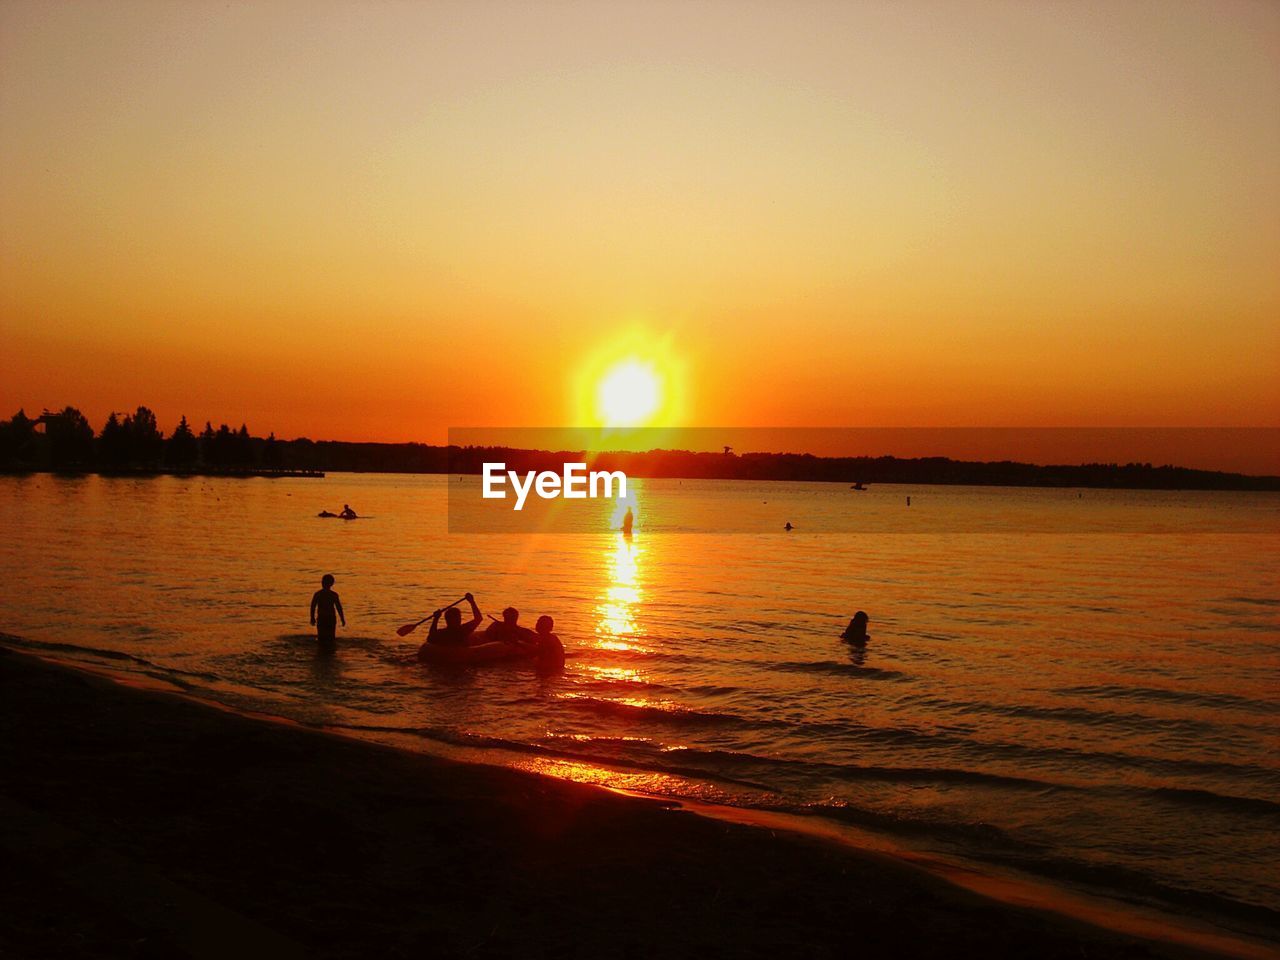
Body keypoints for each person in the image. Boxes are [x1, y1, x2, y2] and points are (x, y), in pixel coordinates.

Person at [418, 593, 482, 659]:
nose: (459, 619)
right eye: (457, 617)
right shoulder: (463, 630)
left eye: (459, 617)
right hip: (460, 660)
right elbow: (479, 618)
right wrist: (472, 602)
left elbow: (431, 637)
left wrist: (436, 619)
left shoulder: (442, 633)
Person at [310, 574, 346, 645]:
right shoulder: (333, 595)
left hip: (324, 618)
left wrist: (312, 618)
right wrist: (342, 619)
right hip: (329, 618)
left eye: (323, 582)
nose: (322, 583)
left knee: (322, 638)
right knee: (330, 638)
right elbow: (339, 608)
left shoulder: (318, 594)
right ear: (332, 584)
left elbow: (313, 607)